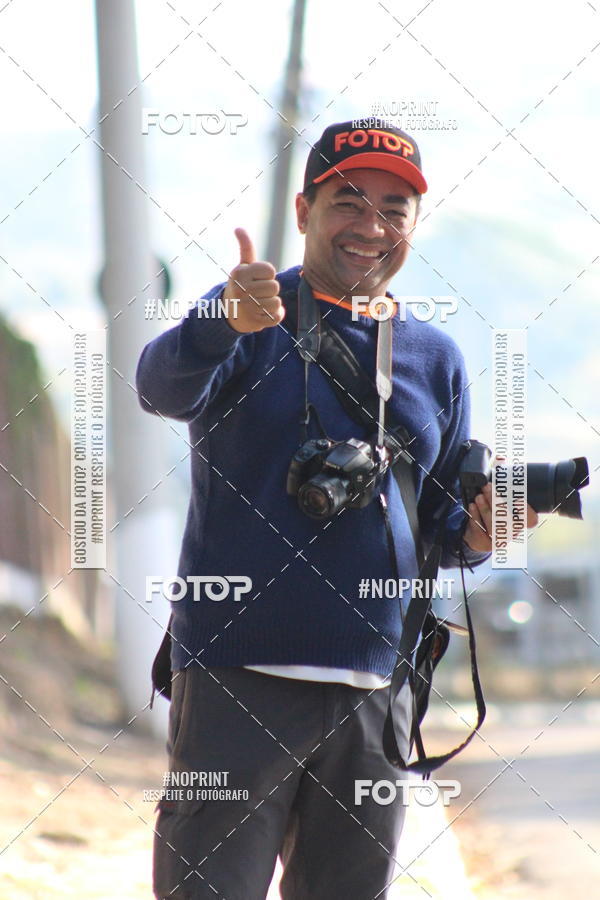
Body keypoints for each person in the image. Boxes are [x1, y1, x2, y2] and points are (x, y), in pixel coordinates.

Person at [136, 120, 537, 899]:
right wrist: (220, 320)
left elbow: (441, 531)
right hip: (238, 678)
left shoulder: (436, 360)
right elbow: (160, 389)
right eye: (348, 202)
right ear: (304, 211)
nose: (371, 227)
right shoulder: (249, 316)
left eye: (394, 208)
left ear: (414, 224)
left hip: (376, 693)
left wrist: (482, 532)